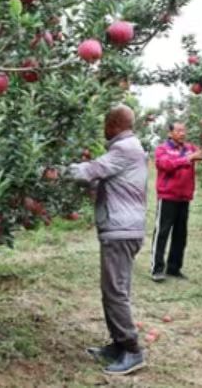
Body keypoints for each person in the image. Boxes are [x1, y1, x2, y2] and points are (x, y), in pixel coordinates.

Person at [67, 104, 149, 376]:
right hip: (122, 228)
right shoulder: (128, 149)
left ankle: (133, 350)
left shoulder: (124, 148)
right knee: (112, 290)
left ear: (114, 124)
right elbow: (102, 179)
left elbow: (89, 171)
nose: (103, 128)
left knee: (115, 292)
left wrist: (57, 171)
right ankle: (117, 344)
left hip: (121, 230)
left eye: (105, 123)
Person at [150, 122, 202, 282]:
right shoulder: (162, 149)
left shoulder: (189, 148)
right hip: (168, 196)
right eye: (178, 130)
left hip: (184, 197)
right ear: (170, 133)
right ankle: (157, 269)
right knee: (162, 233)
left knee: (180, 235)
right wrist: (188, 159)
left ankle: (174, 268)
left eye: (184, 130)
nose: (182, 133)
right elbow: (165, 165)